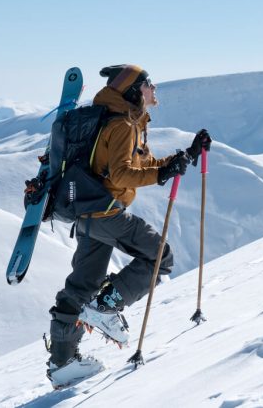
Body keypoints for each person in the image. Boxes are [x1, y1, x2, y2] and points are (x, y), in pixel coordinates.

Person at [46, 64, 211, 386]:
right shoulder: (122, 124)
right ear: (135, 90)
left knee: (80, 287)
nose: (154, 89)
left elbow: (143, 164)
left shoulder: (123, 121)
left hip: (88, 214)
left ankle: (62, 362)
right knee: (160, 256)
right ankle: (107, 307)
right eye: (149, 84)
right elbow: (122, 174)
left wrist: (186, 156)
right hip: (106, 212)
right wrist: (162, 174)